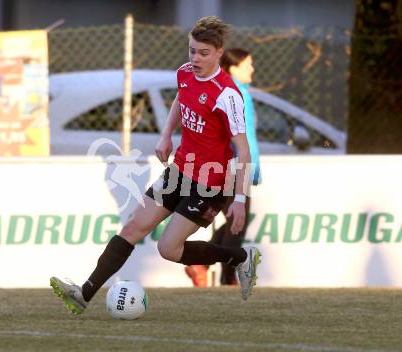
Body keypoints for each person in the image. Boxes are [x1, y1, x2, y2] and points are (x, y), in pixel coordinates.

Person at [50, 16, 262, 315]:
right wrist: (166, 135)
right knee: (133, 226)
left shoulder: (228, 95)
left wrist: (239, 199)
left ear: (218, 53)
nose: (195, 58)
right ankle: (83, 294)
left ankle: (239, 257)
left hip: (212, 183)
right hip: (179, 171)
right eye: (192, 51)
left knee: (168, 249)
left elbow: (243, 150)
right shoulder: (185, 73)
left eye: (203, 53)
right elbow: (180, 99)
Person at [184, 48, 261, 287]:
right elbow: (241, 137)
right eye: (247, 64)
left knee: (232, 222)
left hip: (227, 166)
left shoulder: (230, 90)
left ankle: (202, 265)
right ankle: (226, 278)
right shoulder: (236, 93)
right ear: (233, 68)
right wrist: (250, 168)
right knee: (238, 222)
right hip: (235, 167)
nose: (252, 69)